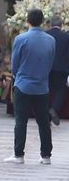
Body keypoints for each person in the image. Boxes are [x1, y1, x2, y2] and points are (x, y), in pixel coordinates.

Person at [8, 9, 56, 165]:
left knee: (21, 121)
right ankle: (46, 155)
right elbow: (50, 62)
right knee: (43, 122)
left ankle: (19, 154)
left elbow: (14, 64)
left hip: (23, 84)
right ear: (42, 21)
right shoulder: (51, 40)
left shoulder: (20, 39)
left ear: (27, 20)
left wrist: (19, 76)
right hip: (42, 86)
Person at [48, 16, 69, 124]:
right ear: (61, 25)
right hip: (62, 68)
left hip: (47, 68)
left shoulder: (45, 35)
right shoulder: (66, 37)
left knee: (47, 91)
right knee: (61, 90)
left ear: (50, 24)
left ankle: (47, 117)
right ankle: (54, 108)